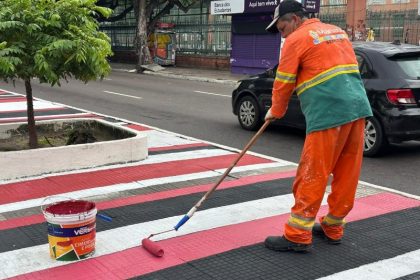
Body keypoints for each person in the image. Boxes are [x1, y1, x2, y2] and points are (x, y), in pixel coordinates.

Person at [264, 0, 373, 252]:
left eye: (281, 28)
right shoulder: (337, 31)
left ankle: (297, 235)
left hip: (328, 113)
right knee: (347, 172)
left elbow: (284, 80)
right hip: (357, 109)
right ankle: (333, 227)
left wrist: (276, 111)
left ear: (294, 20)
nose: (282, 35)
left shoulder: (296, 39)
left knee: (313, 172)